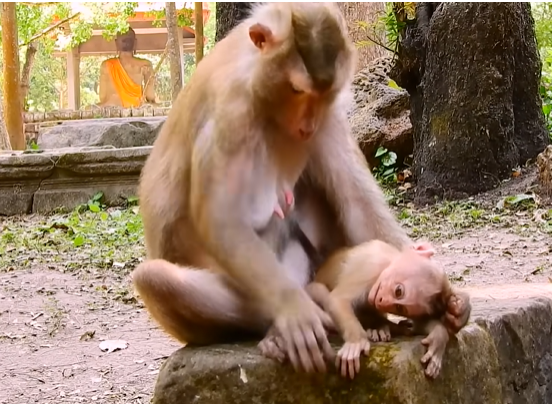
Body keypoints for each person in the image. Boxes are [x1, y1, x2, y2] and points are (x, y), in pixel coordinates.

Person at [98, 28, 157, 107]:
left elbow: (102, 97)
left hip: (112, 107)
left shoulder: (106, 65)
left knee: (91, 108)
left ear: (116, 43)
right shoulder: (145, 64)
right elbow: (150, 96)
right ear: (135, 43)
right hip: (135, 109)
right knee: (154, 106)